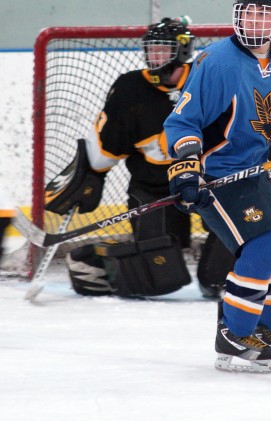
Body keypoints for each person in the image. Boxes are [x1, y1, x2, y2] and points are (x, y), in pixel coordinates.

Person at [164, 0, 271, 373]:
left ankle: (269, 328)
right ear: (237, 13)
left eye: (263, 13)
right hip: (218, 175)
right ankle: (232, 335)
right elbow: (183, 121)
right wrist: (186, 165)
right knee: (260, 249)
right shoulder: (215, 62)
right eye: (247, 12)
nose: (253, 21)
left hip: (255, 171)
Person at [44, 17, 233, 298]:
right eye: (151, 49)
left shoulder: (209, 80)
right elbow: (106, 144)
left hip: (209, 181)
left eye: (162, 50)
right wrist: (90, 174)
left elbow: (240, 124)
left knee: (216, 282)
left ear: (181, 51)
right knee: (159, 275)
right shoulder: (130, 88)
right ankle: (99, 261)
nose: (154, 57)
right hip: (154, 187)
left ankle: (234, 268)